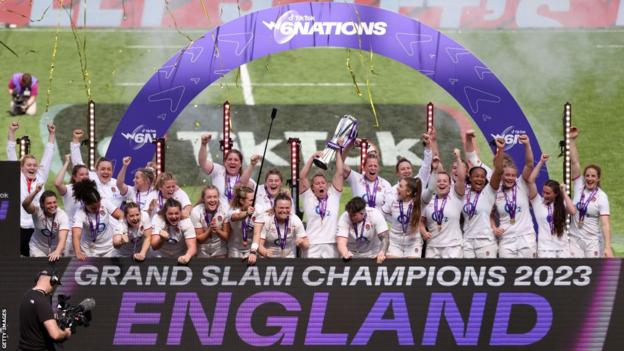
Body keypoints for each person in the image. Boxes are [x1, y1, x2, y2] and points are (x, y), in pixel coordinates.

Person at [7, 122, 56, 256]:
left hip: (36, 228)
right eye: (29, 165)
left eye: (35, 165)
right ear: (21, 167)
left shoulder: (41, 177)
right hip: (18, 227)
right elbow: (11, 153)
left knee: (34, 261)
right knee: (12, 260)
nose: (32, 168)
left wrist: (52, 134)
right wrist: (11, 132)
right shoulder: (17, 176)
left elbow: (48, 155)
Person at [568, 127, 613, 257]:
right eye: (587, 175)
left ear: (598, 178)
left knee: (592, 273)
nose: (589, 178)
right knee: (575, 271)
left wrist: (608, 247)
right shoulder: (579, 185)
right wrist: (571, 140)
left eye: (593, 176)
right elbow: (575, 162)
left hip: (592, 241)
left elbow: (605, 223)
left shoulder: (602, 197)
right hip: (574, 239)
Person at [491, 134, 536, 258]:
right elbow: (490, 213)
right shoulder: (496, 190)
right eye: (507, 175)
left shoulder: (521, 183)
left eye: (512, 175)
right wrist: (494, 228)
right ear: (502, 176)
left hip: (526, 237)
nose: (510, 178)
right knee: (508, 274)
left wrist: (527, 144)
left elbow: (529, 164)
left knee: (529, 272)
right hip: (506, 239)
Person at [461, 138, 504, 258]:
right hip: (467, 241)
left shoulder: (488, 192)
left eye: (482, 177)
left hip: (486, 241)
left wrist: (500, 150)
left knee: (485, 275)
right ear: (470, 178)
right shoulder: (463, 193)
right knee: (468, 275)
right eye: (476, 176)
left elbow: (499, 171)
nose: (480, 179)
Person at [420, 149, 466, 258]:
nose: (441, 183)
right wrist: (423, 232)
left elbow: (461, 178)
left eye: (445, 181)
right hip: (433, 247)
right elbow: (420, 221)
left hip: (453, 247)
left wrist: (458, 158)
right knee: (432, 275)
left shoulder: (456, 196)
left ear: (450, 185)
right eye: (438, 181)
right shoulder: (428, 199)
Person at [299, 148, 344, 258]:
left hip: (331, 243)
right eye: (317, 183)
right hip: (312, 244)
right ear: (312, 187)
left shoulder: (334, 196)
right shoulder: (308, 197)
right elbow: (302, 176)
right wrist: (312, 158)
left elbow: (340, 172)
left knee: (330, 273)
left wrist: (338, 151)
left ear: (327, 185)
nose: (320, 185)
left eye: (323, 183)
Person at [528, 154, 575, 258]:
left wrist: (564, 192)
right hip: (545, 249)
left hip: (563, 248)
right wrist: (541, 162)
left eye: (548, 193)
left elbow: (573, 211)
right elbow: (531, 181)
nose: (544, 195)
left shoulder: (561, 204)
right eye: (544, 192)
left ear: (556, 194)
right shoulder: (538, 202)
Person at [247, 192, 308, 264]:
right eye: (281, 208)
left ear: (291, 208)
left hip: (289, 259)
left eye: (287, 208)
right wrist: (265, 252)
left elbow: (306, 245)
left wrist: (302, 243)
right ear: (275, 208)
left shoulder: (295, 220)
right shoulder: (266, 219)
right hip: (268, 259)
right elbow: (259, 243)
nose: (284, 211)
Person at [18, 270, 71, 351]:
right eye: (54, 284)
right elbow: (55, 334)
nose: (53, 288)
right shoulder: (42, 302)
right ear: (52, 281)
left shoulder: (27, 295)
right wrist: (66, 333)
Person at [70, 129, 124, 207]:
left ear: (112, 171)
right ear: (96, 170)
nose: (106, 172)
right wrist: (75, 140)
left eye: (109, 169)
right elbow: (77, 164)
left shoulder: (118, 184)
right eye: (103, 169)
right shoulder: (91, 178)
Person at [198, 133, 257, 205]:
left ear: (240, 164)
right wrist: (204, 144)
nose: (232, 162)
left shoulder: (249, 181)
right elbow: (202, 162)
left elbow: (255, 199)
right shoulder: (219, 171)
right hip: (219, 214)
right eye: (229, 159)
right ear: (225, 162)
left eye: (236, 160)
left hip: (238, 214)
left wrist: (252, 164)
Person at [71, 179, 123, 259]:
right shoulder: (80, 213)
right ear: (85, 204)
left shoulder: (104, 202)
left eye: (99, 205)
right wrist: (78, 252)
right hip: (89, 251)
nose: (97, 209)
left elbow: (121, 215)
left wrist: (119, 231)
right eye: (93, 208)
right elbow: (76, 235)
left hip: (109, 248)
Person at [22, 184, 69, 261]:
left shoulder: (62, 215)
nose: (53, 205)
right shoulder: (37, 210)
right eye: (49, 203)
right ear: (42, 205)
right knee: (41, 271)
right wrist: (36, 191)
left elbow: (63, 238)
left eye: (54, 202)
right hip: (37, 248)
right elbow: (25, 205)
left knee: (56, 272)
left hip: (56, 248)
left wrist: (57, 251)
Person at [336, 197, 389, 263]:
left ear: (362, 213)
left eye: (354, 215)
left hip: (372, 253)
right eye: (350, 215)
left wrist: (382, 252)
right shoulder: (344, 217)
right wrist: (344, 252)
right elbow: (341, 240)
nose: (351, 217)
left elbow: (385, 237)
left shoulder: (375, 214)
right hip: (351, 253)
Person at [382, 177, 423, 258]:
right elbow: (382, 216)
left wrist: (434, 171)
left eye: (400, 186)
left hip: (413, 243)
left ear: (408, 192)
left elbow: (430, 190)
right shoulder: (392, 201)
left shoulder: (418, 203)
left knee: (412, 268)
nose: (397, 188)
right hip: (395, 243)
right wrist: (393, 220)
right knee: (393, 267)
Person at [150, 198, 197, 264]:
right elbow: (154, 246)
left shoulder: (186, 222)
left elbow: (192, 247)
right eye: (170, 214)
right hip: (159, 256)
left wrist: (187, 256)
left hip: (180, 257)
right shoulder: (158, 219)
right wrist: (162, 239)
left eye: (176, 213)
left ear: (181, 213)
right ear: (165, 213)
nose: (174, 216)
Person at [191, 186, 230, 258]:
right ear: (203, 199)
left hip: (220, 248)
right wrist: (210, 230)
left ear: (218, 198)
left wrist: (218, 231)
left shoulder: (225, 208)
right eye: (209, 197)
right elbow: (199, 239)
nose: (212, 200)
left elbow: (227, 237)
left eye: (215, 197)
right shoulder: (196, 211)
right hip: (202, 249)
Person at [227, 186, 255, 258]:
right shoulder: (232, 210)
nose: (253, 202)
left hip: (251, 249)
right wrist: (247, 213)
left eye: (254, 200)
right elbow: (236, 216)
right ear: (242, 201)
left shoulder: (257, 210)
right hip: (235, 249)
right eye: (251, 200)